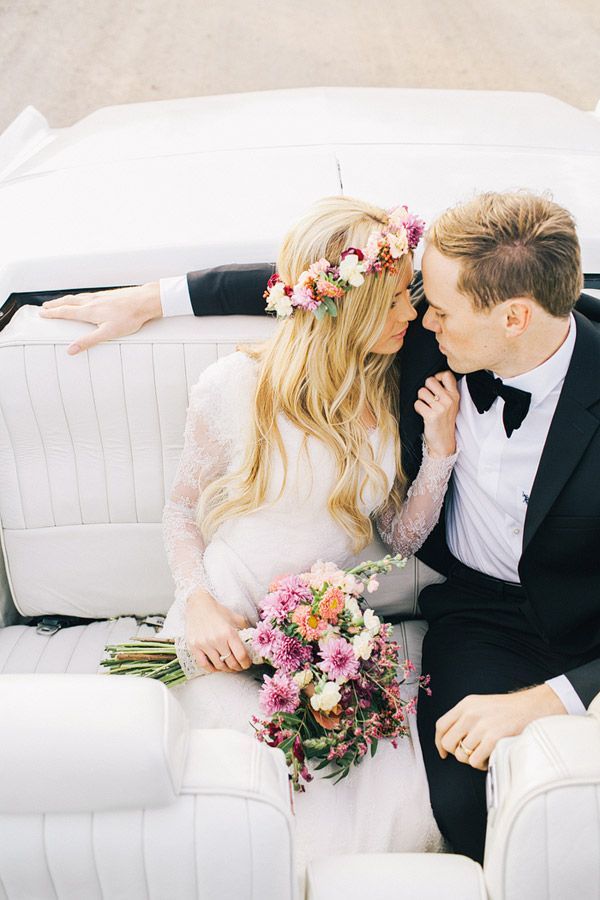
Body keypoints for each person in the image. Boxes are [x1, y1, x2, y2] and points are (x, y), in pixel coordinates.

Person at [39, 190, 600, 865]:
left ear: (513, 318)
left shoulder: (423, 331)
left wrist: (552, 700)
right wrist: (154, 299)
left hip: (589, 617)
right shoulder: (412, 337)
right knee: (461, 806)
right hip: (479, 615)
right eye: (413, 298)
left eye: (437, 308)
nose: (421, 315)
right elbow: (318, 277)